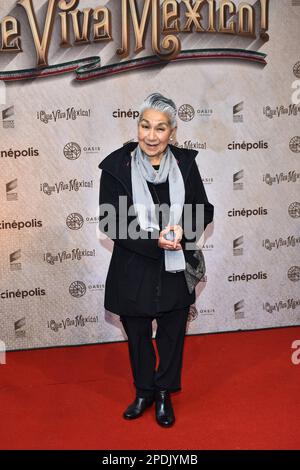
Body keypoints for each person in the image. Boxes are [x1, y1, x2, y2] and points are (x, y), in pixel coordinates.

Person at [98, 92, 214, 427]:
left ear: (172, 131)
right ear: (137, 127)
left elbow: (203, 209)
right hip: (133, 267)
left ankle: (164, 393)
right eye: (145, 125)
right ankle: (144, 391)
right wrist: (154, 240)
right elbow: (110, 220)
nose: (151, 135)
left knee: (172, 335)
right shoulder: (116, 165)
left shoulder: (185, 164)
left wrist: (183, 229)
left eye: (160, 128)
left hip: (175, 268)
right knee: (137, 337)